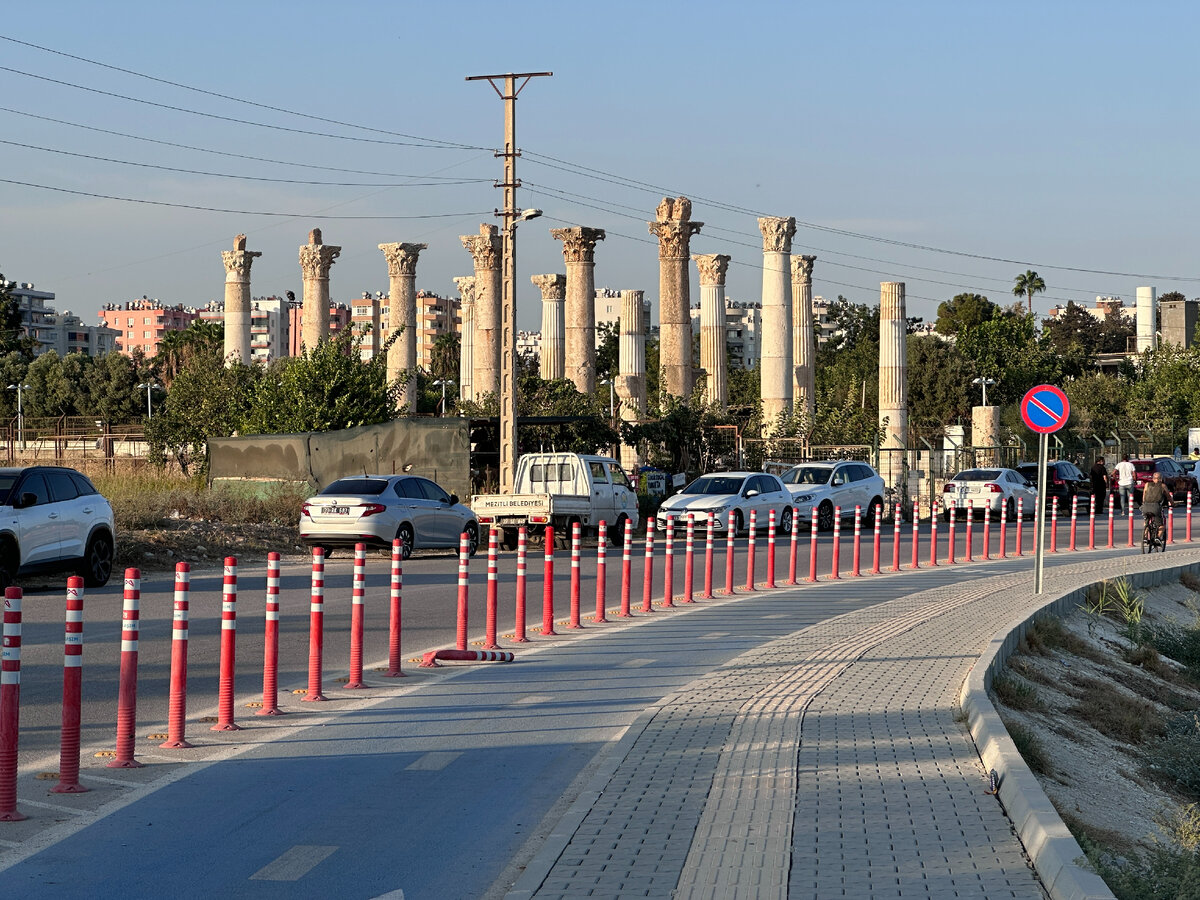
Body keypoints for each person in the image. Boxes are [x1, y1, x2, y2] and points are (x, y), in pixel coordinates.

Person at [1140, 471, 1172, 542]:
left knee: (1146, 520)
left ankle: (1145, 536)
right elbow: (1168, 497)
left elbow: (1144, 496)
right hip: (1156, 507)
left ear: (1153, 479)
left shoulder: (1147, 484)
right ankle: (1157, 537)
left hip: (1145, 506)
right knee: (1162, 524)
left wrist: (1144, 504)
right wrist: (1172, 504)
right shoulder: (1162, 486)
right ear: (1161, 479)